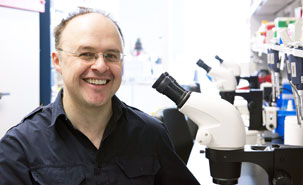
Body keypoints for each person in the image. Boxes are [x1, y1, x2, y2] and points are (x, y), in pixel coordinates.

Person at [0, 8, 200, 185]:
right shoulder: (20, 147)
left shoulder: (151, 134)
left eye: (111, 55)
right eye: (86, 54)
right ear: (57, 61)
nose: (101, 66)